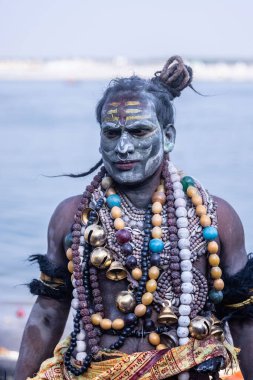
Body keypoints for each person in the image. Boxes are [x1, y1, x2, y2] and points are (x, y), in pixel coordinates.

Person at [15, 56, 253, 380]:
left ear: (168, 136)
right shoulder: (71, 217)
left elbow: (243, 319)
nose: (123, 147)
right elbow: (47, 312)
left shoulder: (215, 218)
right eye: (111, 134)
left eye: (139, 131)